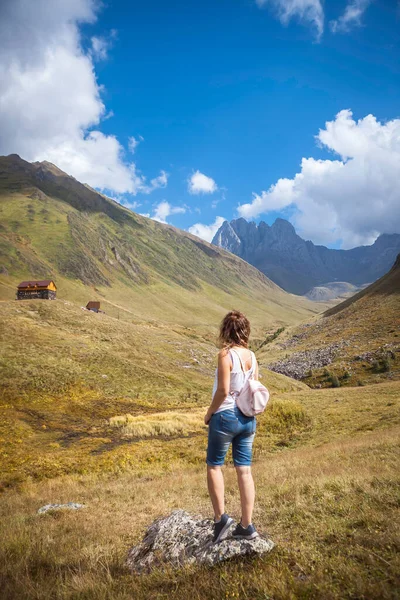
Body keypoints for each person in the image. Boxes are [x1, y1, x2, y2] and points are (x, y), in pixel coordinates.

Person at [204, 310, 259, 543]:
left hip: (225, 416)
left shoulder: (225, 355)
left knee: (214, 466)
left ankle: (220, 519)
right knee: (244, 470)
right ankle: (246, 525)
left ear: (226, 330)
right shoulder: (253, 357)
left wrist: (209, 413)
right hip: (248, 419)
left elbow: (224, 390)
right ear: (245, 330)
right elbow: (253, 387)